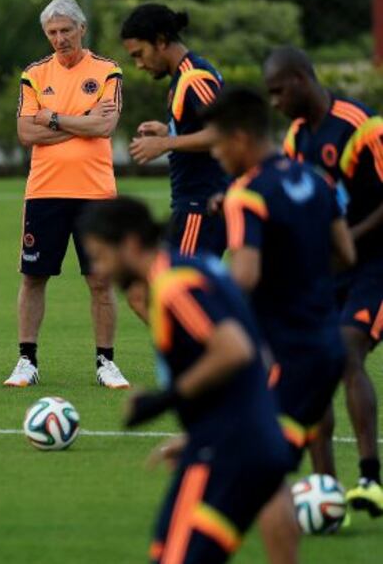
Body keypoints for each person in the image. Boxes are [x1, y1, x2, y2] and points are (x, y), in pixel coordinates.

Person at [79, 197, 299, 564]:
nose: (99, 269)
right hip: (248, 440)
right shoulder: (201, 268)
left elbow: (234, 350)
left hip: (225, 452)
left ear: (131, 245)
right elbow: (258, 355)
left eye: (102, 255)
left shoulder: (172, 286)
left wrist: (163, 400)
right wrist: (197, 431)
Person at [203, 87, 354, 476]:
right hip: (327, 343)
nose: (216, 156)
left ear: (239, 138)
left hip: (286, 351)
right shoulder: (317, 179)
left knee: (257, 466)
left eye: (217, 146)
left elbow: (246, 276)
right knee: (284, 445)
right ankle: (325, 494)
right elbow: (346, 254)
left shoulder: (245, 194)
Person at [264, 45, 383, 515]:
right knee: (312, 366)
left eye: (277, 92)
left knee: (347, 349)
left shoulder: (362, 127)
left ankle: (371, 479)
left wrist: (345, 239)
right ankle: (326, 488)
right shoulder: (296, 138)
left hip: (376, 266)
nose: (274, 102)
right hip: (328, 272)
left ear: (298, 80)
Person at [4, 0, 129, 389]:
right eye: (52, 32)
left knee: (100, 280)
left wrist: (54, 118)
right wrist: (82, 120)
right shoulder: (35, 75)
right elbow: (26, 133)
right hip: (45, 191)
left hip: (96, 193)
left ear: (82, 29)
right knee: (34, 276)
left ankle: (105, 363)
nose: (59, 39)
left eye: (65, 31)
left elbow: (104, 128)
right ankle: (26, 361)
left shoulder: (107, 71)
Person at [121, 3, 228, 259]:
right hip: (191, 204)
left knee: (180, 290)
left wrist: (165, 144)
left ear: (160, 41)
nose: (138, 64)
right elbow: (202, 128)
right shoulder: (181, 76)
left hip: (200, 205)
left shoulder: (194, 77)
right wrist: (168, 131)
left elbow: (224, 132)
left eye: (139, 54)